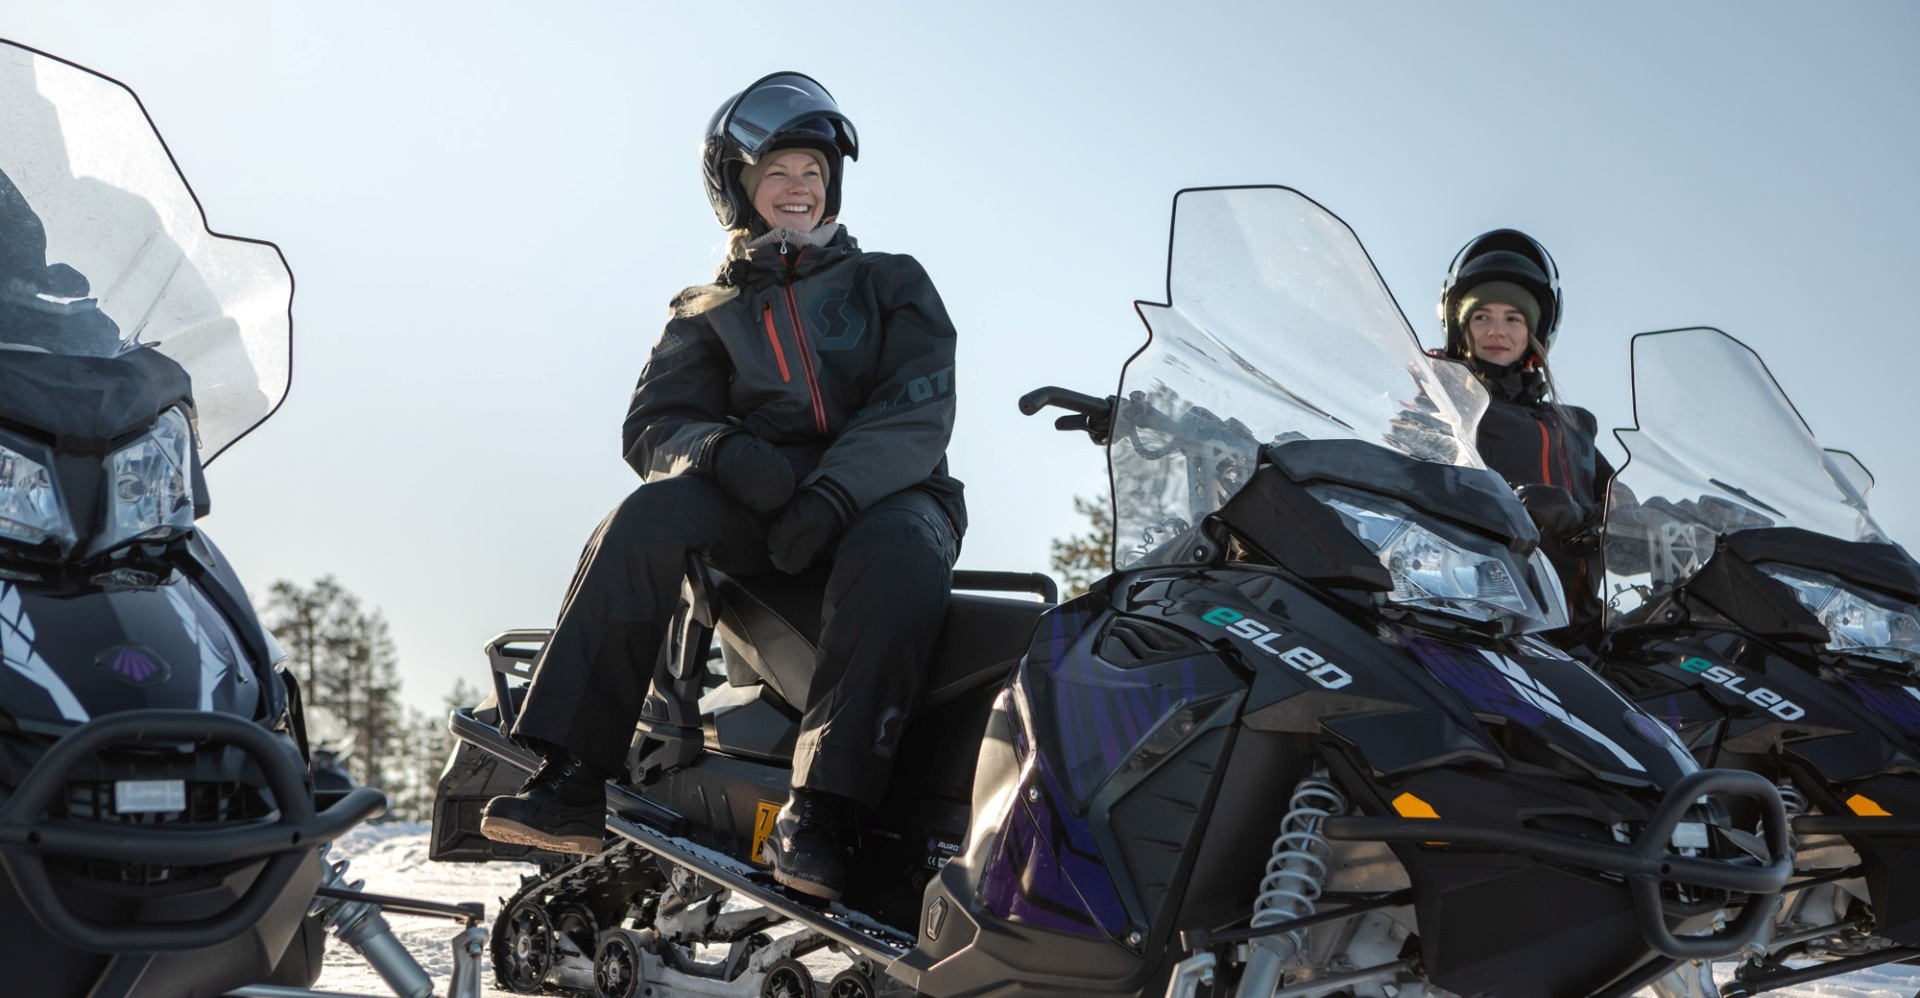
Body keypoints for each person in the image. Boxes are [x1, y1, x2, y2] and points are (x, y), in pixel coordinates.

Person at [480, 72, 965, 901]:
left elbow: (915, 408)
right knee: (647, 515)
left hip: (888, 496)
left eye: (813, 172)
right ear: (740, 189)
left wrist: (834, 495)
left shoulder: (891, 282)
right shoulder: (706, 310)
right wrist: (722, 452)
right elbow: (654, 424)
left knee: (899, 552)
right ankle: (569, 777)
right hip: (758, 497)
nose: (800, 188)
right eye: (779, 172)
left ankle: (823, 814)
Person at [1437, 229, 1614, 641]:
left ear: (1533, 332)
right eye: (1482, 316)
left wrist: (1680, 519)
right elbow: (1405, 478)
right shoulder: (1443, 405)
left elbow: (1621, 513)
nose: (1496, 330)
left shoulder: (1575, 426)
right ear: (1461, 327)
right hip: (1481, 620)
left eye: (1513, 318)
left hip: (1585, 634)